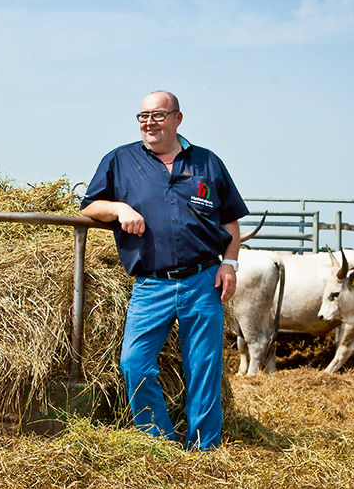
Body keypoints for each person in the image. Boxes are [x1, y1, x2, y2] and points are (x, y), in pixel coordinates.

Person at [80, 90, 248, 450]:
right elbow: (89, 208)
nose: (149, 123)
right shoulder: (119, 160)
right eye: (143, 116)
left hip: (204, 279)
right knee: (134, 363)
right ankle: (159, 442)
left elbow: (230, 222)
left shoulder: (207, 163)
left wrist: (230, 264)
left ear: (177, 119)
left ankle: (204, 449)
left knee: (204, 368)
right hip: (150, 285)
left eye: (157, 115)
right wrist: (119, 209)